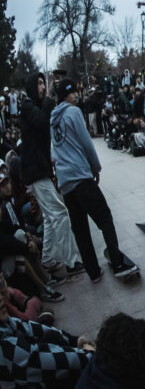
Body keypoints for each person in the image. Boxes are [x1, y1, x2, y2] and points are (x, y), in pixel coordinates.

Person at [49, 80, 137, 283]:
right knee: (104, 218)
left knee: (80, 229)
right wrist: (95, 167)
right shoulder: (73, 112)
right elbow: (86, 142)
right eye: (74, 94)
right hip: (80, 176)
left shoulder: (52, 120)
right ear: (68, 95)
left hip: (65, 182)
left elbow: (53, 151)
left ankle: (93, 272)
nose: (77, 96)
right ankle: (117, 262)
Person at [16, 75, 83, 281]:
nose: (43, 87)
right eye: (39, 83)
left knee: (50, 217)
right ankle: (71, 261)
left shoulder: (35, 106)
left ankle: (49, 260)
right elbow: (42, 121)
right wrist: (49, 99)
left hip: (39, 169)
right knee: (60, 213)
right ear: (30, 87)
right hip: (35, 172)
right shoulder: (28, 106)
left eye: (43, 82)